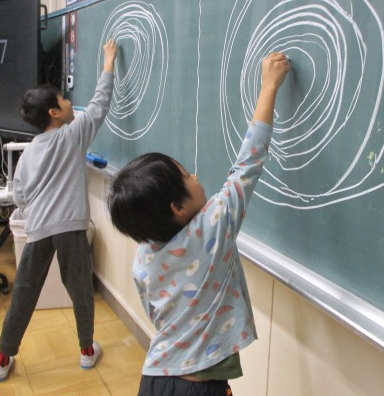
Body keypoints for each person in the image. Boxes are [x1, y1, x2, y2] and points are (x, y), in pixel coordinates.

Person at [106, 52, 290, 396]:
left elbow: (156, 313)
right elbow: (248, 165)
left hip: (156, 377)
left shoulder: (144, 257)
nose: (195, 175)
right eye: (186, 175)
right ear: (177, 207)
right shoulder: (213, 227)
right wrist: (268, 87)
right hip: (198, 389)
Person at [0, 39, 118, 382]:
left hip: (37, 230)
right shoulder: (72, 136)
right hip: (71, 228)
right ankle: (87, 350)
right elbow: (99, 105)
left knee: (24, 292)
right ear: (54, 113)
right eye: (63, 100)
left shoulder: (29, 152)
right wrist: (108, 62)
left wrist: (35, 214)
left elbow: (19, 194)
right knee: (80, 290)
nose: (69, 102)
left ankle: (3, 357)